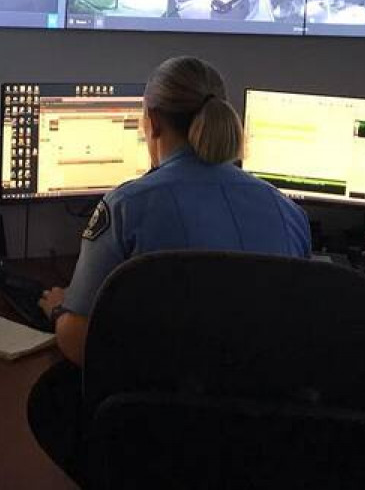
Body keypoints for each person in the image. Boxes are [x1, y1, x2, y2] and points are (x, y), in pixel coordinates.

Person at [26, 55, 310, 485]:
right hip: (268, 446)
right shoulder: (286, 210)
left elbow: (82, 344)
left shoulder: (126, 207)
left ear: (152, 122)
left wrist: (59, 309)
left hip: (158, 445)